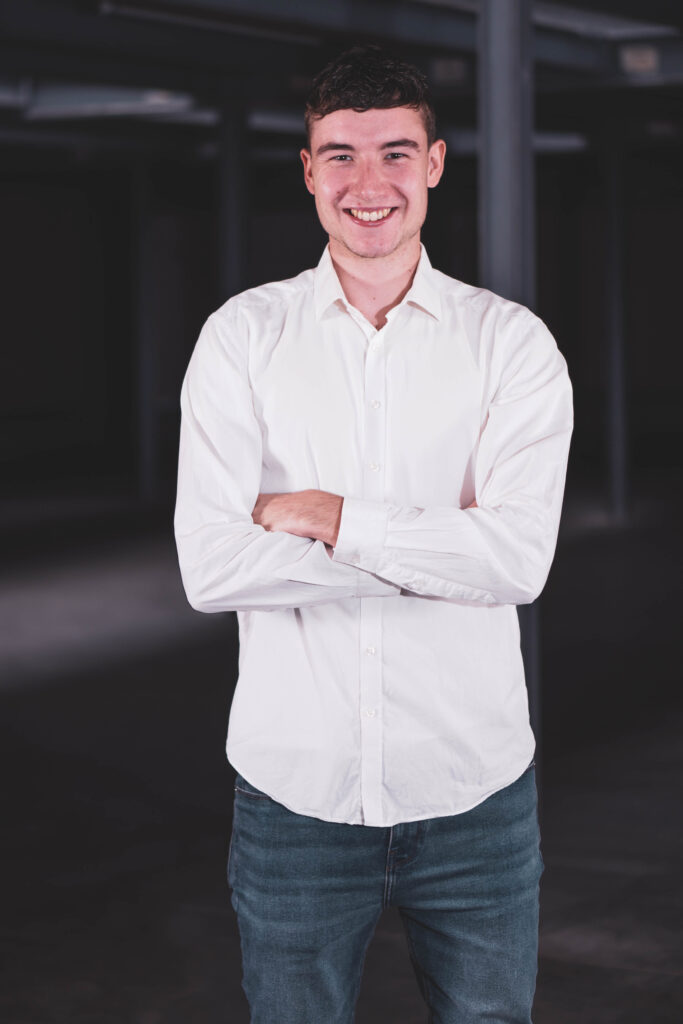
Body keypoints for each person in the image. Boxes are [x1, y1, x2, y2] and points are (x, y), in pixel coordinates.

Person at [174, 45, 573, 1024]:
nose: (368, 183)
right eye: (340, 155)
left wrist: (331, 518)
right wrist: (443, 551)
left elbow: (517, 561)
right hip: (294, 796)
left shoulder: (509, 345)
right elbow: (212, 566)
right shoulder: (241, 339)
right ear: (307, 170)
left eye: (394, 153)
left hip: (474, 791)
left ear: (432, 163)